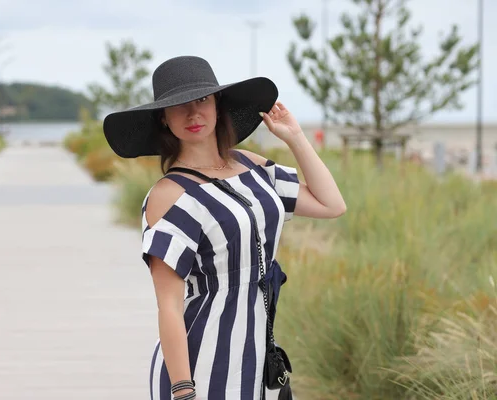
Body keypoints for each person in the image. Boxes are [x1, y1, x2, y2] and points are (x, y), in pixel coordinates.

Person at [103, 56, 346, 400]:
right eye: (178, 106)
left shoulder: (252, 166)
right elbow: (169, 305)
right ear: (163, 118)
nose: (193, 113)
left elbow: (331, 204)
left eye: (202, 100)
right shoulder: (168, 196)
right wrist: (183, 390)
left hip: (260, 358)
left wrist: (295, 137)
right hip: (203, 365)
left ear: (218, 105)